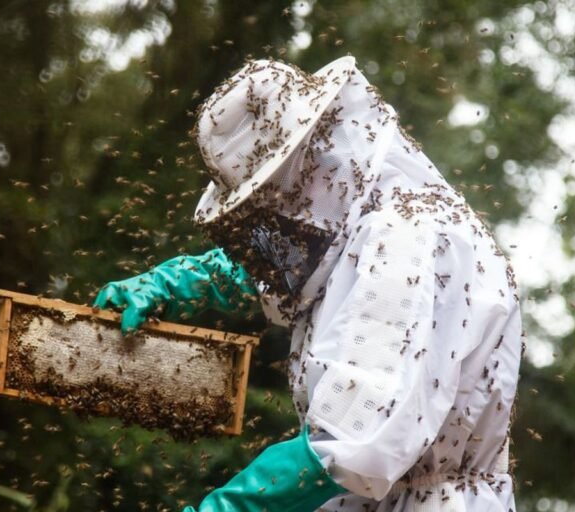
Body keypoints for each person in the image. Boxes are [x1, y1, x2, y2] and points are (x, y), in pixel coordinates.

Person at [94, 56, 523, 512]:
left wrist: (229, 507)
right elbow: (311, 269)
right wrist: (186, 280)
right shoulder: (370, 223)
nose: (276, 214)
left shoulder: (405, 238)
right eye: (259, 204)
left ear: (316, 154)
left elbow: (357, 442)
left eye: (274, 192)